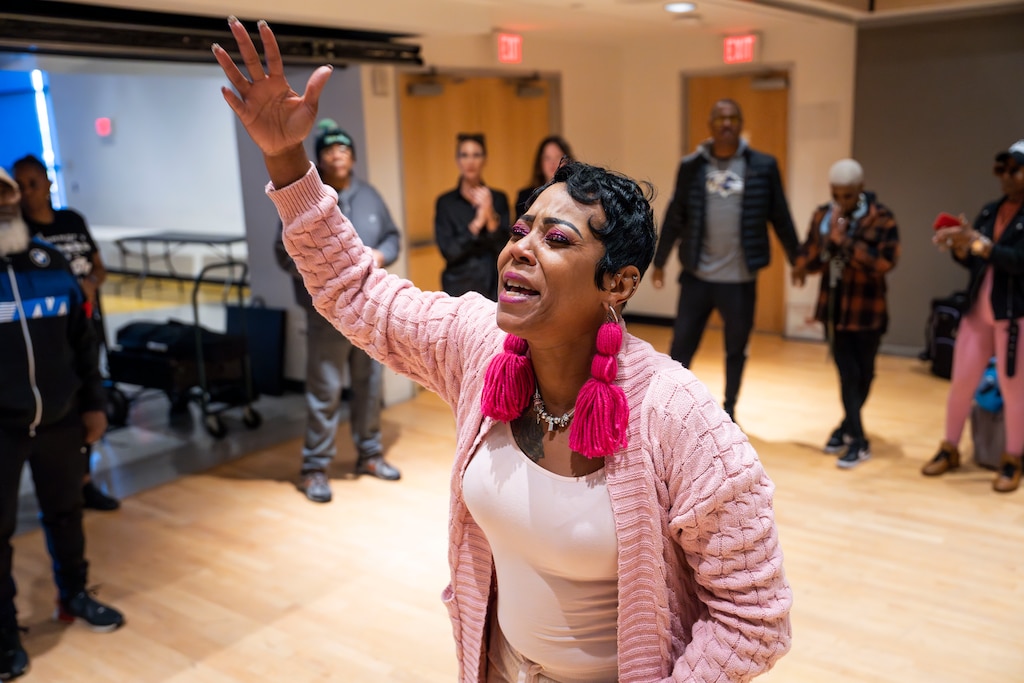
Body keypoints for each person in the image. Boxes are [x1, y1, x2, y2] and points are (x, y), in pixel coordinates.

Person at [214, 19, 792, 682]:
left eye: (557, 238)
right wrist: (288, 163)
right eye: (522, 228)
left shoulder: (679, 418)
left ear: (620, 283)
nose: (519, 245)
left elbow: (754, 618)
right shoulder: (478, 345)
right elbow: (356, 293)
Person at [0, 167, 125, 680]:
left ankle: (73, 594)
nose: (4, 205)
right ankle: (4, 633)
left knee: (67, 514)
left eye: (6, 195)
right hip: (0, 433)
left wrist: (93, 404)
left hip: (60, 421)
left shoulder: (50, 263)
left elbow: (83, 343)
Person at [274, 119, 403, 501]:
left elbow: (392, 237)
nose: (337, 155)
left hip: (369, 312)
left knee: (369, 386)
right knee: (325, 391)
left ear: (353, 156)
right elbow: (283, 251)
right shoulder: (308, 202)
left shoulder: (369, 195)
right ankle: (315, 467)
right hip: (326, 316)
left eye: (343, 149)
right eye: (329, 150)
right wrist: (318, 275)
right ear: (319, 159)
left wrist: (381, 254)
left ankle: (369, 454)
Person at [651, 99, 799, 422]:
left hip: (739, 281)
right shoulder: (692, 167)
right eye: (720, 118)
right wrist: (659, 261)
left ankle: (730, 409)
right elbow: (676, 215)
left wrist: (796, 258)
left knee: (736, 349)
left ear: (740, 123)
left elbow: (780, 216)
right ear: (710, 125)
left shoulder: (762, 165)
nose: (726, 123)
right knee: (681, 349)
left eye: (733, 117)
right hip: (697, 277)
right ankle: (670, 410)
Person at [13, 154, 120, 512]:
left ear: (47, 183)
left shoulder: (72, 220)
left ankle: (84, 479)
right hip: (50, 337)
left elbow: (99, 267)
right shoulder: (21, 236)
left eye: (33, 182)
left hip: (86, 326)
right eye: (21, 185)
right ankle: (70, 485)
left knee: (87, 399)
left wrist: (89, 283)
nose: (28, 192)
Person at [922, 139, 1024, 493]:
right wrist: (960, 247)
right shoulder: (989, 210)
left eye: (1015, 169)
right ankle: (950, 447)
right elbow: (976, 261)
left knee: (1014, 390)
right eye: (1003, 170)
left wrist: (979, 243)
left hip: (1013, 315)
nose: (1007, 177)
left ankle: (1013, 458)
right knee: (961, 383)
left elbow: (1016, 261)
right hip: (978, 312)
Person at [792, 159, 900, 468]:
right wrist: (806, 259)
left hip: (868, 311)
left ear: (860, 190)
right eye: (836, 194)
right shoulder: (823, 217)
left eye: (848, 196)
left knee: (865, 375)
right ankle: (859, 441)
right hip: (834, 311)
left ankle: (844, 427)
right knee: (847, 375)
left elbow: (885, 263)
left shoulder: (881, 218)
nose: (840, 202)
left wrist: (846, 243)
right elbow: (809, 256)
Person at [434, 132, 511, 299]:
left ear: (484, 160)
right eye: (464, 155)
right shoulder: (446, 203)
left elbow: (505, 250)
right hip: (458, 287)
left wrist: (490, 217)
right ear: (457, 160)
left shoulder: (498, 198)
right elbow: (450, 252)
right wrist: (477, 222)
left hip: (493, 285)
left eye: (476, 155)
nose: (470, 161)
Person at [515, 135, 574, 216]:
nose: (553, 163)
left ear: (568, 161)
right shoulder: (525, 197)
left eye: (558, 157)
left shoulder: (576, 193)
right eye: (547, 158)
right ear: (540, 163)